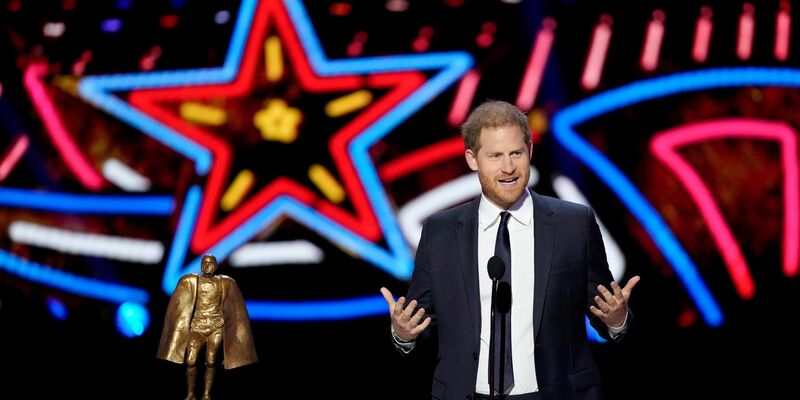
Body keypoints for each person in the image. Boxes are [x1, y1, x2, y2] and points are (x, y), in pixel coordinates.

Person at [380, 100, 640, 400]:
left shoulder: (573, 223)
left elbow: (603, 312)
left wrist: (617, 320)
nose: (508, 167)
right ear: (472, 159)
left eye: (516, 153)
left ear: (530, 150)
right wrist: (403, 334)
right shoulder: (441, 231)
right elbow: (420, 322)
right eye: (495, 156)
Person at [157, 254, 258, 400]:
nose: (207, 266)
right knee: (191, 361)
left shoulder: (225, 283)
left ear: (215, 266)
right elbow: (178, 305)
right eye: (204, 263)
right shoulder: (192, 281)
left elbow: (236, 308)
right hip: (197, 327)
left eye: (210, 263)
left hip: (215, 327)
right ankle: (190, 393)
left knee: (211, 361)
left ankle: (206, 394)